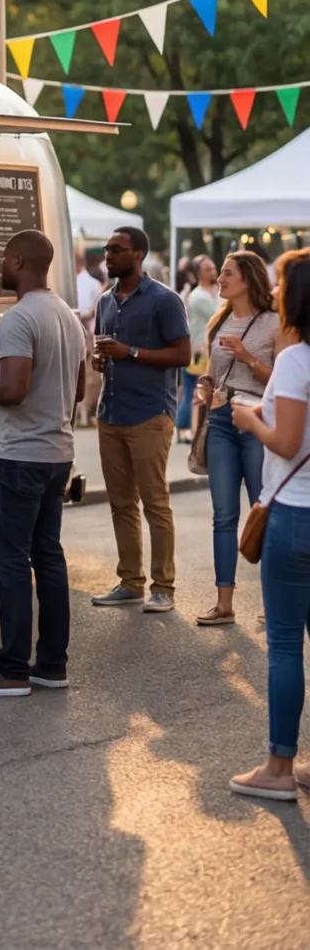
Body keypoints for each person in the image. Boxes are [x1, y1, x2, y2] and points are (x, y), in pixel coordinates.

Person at [0, 229, 86, 697]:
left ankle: (12, 668)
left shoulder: (17, 319)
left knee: (11, 561)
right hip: (57, 452)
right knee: (47, 555)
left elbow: (13, 390)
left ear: (18, 260)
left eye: (4, 259)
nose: (0, 265)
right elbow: (74, 391)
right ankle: (52, 664)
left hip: (18, 456)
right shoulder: (69, 318)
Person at [228, 255, 310, 800]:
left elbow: (285, 442)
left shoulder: (296, 360)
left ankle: (279, 769)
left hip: (294, 515)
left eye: (281, 286)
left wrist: (249, 417)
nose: (275, 294)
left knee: (283, 644)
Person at [88, 226, 191, 614]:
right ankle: (130, 582)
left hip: (149, 413)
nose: (108, 255)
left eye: (117, 249)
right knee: (120, 504)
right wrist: (99, 359)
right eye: (107, 248)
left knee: (155, 502)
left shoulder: (164, 300)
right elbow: (103, 351)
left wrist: (129, 351)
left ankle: (163, 587)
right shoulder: (105, 302)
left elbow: (182, 355)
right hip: (110, 413)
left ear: (139, 255)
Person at [195, 250, 277, 628]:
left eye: (227, 274)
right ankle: (224, 604)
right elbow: (213, 374)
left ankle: (273, 600)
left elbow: (280, 382)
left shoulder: (274, 323)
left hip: (256, 421)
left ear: (247, 279)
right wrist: (203, 386)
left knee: (265, 512)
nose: (220, 279)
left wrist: (246, 357)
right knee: (223, 515)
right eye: (221, 274)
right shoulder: (220, 319)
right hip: (221, 420)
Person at [181, 254, 223, 436]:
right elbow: (219, 316)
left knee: (194, 389)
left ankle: (188, 428)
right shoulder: (199, 296)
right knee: (195, 390)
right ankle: (186, 428)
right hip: (199, 350)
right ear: (198, 274)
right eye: (208, 269)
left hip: (205, 349)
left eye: (213, 268)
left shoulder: (214, 292)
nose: (213, 272)